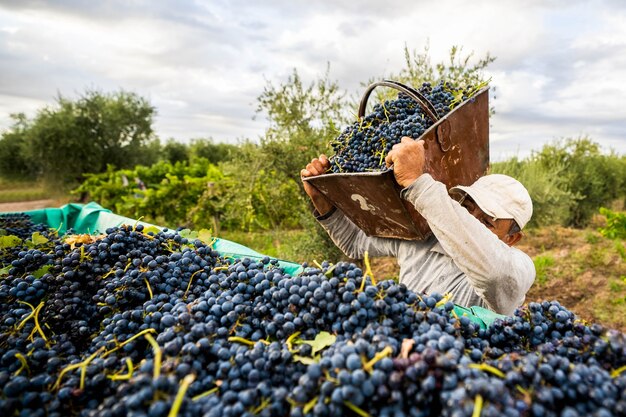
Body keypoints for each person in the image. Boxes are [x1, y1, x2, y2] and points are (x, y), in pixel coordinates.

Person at [301, 137, 535, 316]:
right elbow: (355, 243)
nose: (470, 220)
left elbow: (494, 275)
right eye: (466, 207)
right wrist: (322, 201)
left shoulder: (518, 268)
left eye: (486, 222)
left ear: (511, 239)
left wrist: (418, 184)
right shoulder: (422, 237)